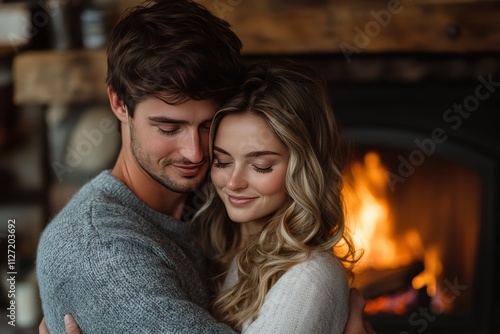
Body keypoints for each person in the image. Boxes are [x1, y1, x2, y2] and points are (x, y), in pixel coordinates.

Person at [36, 0, 375, 333]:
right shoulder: (100, 251)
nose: (195, 153)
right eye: (169, 128)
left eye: (207, 127)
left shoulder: (208, 210)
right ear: (119, 104)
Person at [188, 60, 360, 333]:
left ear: (302, 168)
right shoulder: (227, 253)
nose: (233, 182)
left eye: (261, 166)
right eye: (221, 161)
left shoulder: (309, 279)